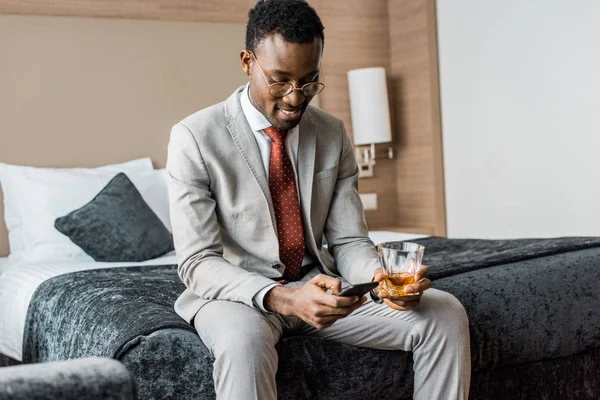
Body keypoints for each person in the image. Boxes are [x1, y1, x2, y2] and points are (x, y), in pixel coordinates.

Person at [166, 0, 471, 398]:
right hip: (238, 295)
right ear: (247, 62)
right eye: (279, 80)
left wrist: (375, 278)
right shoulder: (195, 138)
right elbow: (197, 262)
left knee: (444, 313)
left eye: (309, 81)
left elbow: (347, 240)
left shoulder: (332, 132)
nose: (296, 98)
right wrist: (284, 297)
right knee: (244, 344)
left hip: (321, 288)